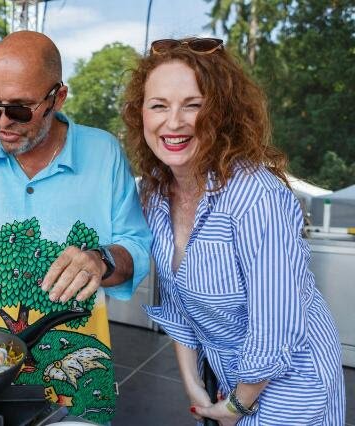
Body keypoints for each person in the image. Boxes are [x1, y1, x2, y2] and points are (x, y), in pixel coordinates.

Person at [0, 30, 152, 424]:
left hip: (77, 380)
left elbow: (136, 247)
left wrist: (101, 259)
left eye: (19, 110)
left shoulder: (103, 153)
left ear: (58, 97)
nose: (2, 123)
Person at [122, 37, 345, 425]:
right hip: (232, 384)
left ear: (221, 114)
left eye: (193, 105)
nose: (173, 122)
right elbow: (178, 306)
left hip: (295, 391)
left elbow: (273, 326)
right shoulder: (155, 194)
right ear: (140, 113)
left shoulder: (257, 195)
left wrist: (236, 406)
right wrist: (193, 385)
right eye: (159, 105)